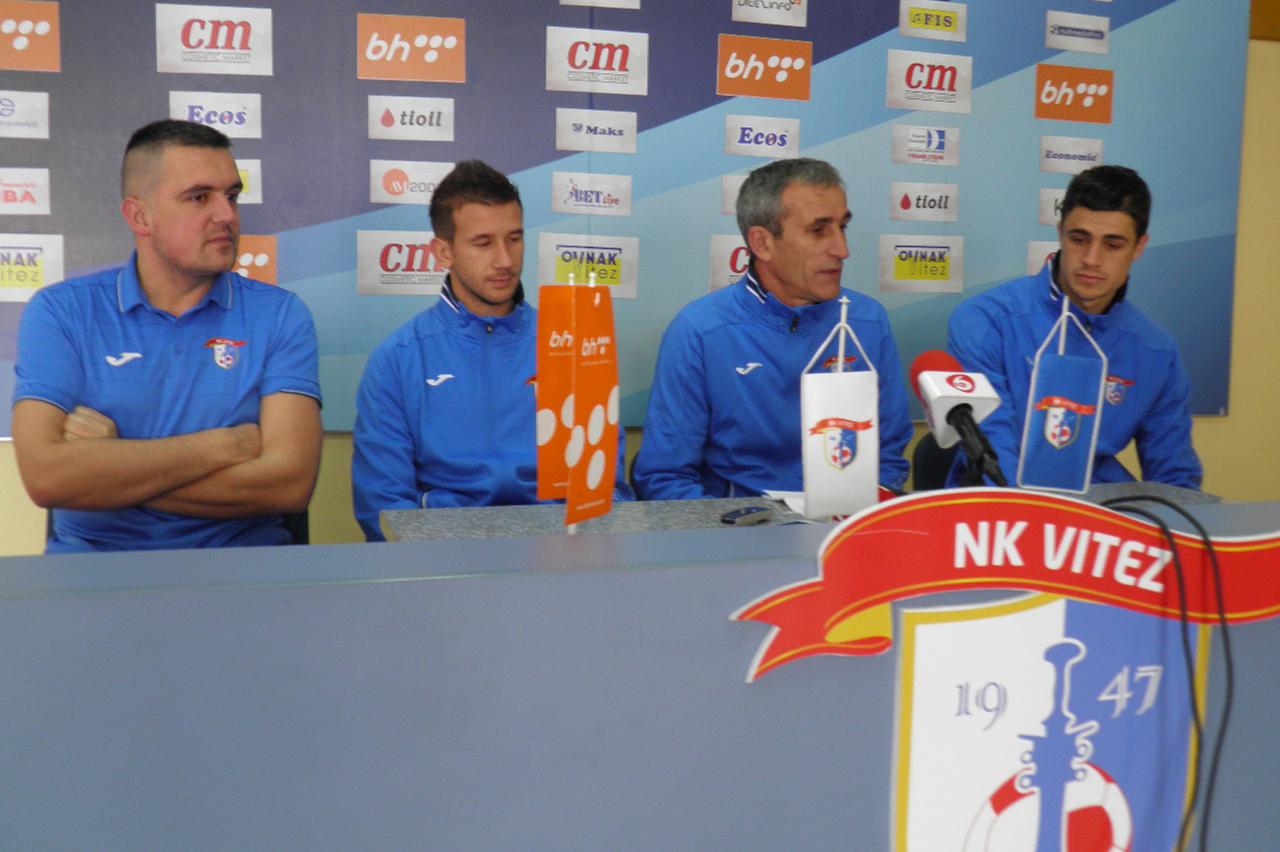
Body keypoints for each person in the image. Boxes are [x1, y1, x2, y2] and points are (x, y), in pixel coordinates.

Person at [11, 119, 323, 552]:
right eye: (199, 197)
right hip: (94, 569)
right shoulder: (61, 312)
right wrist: (225, 445)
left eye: (231, 196)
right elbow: (48, 478)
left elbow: (288, 486)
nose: (227, 215)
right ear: (139, 215)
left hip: (244, 569)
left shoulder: (280, 315)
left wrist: (113, 465)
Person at [351, 160, 630, 541]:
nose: (504, 260)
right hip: (444, 562)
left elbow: (604, 492)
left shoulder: (576, 345)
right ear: (443, 253)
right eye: (483, 243)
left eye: (514, 239)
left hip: (559, 556)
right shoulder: (397, 360)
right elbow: (383, 509)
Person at [633, 157, 912, 499]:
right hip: (736, 525)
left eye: (843, 227)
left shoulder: (868, 321)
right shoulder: (700, 331)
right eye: (818, 231)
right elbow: (665, 479)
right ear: (762, 243)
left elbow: (888, 459)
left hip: (842, 523)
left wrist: (855, 517)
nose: (842, 250)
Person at [946, 164, 1201, 488]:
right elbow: (995, 458)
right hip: (1001, 509)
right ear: (1060, 233)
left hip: (1102, 511)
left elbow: (1176, 481)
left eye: (1113, 245)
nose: (1092, 259)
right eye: (1079, 239)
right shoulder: (985, 321)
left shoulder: (1157, 351)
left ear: (1139, 247)